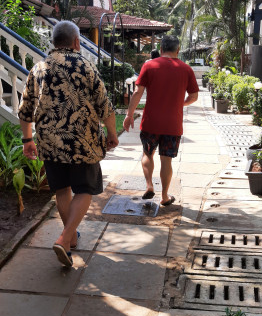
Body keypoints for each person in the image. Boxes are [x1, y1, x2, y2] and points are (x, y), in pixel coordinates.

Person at [18, 20, 118, 267]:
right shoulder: (86, 66)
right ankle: (64, 239)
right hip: (82, 143)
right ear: (76, 42)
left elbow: (25, 109)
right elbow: (104, 106)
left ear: (54, 42)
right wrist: (112, 133)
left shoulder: (39, 68)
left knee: (62, 189)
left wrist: (27, 139)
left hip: (50, 143)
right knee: (84, 189)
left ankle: (71, 237)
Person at [123, 35, 199, 206]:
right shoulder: (186, 69)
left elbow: (137, 92)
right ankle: (164, 196)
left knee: (147, 154)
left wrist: (129, 115)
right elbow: (194, 96)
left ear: (161, 49)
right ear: (178, 50)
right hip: (173, 124)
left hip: (151, 122)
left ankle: (149, 185)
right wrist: (181, 103)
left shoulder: (149, 65)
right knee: (166, 160)